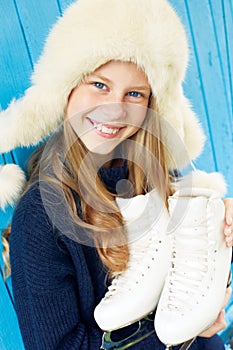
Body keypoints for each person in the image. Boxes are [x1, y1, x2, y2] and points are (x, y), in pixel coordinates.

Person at [0, 0, 232, 349]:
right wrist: (175, 334)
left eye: (135, 93)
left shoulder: (160, 171)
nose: (115, 108)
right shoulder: (41, 215)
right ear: (67, 87)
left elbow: (191, 279)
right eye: (99, 85)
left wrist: (217, 241)